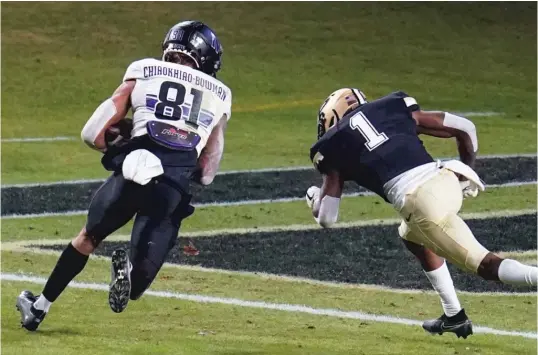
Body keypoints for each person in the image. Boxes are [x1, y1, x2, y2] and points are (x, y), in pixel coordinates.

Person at [16, 20, 232, 331]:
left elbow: (92, 132)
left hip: (134, 166)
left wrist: (117, 145)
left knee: (87, 238)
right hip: (171, 184)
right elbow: (209, 170)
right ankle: (128, 275)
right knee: (137, 285)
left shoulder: (145, 70)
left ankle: (39, 307)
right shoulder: (220, 94)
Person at [306, 88, 537, 338]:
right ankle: (454, 314)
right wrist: (467, 170)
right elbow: (465, 127)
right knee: (410, 235)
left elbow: (327, 217)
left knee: (487, 265)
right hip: (445, 178)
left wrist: (313, 198)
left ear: (332, 117)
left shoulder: (331, 145)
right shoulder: (391, 106)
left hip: (420, 202)